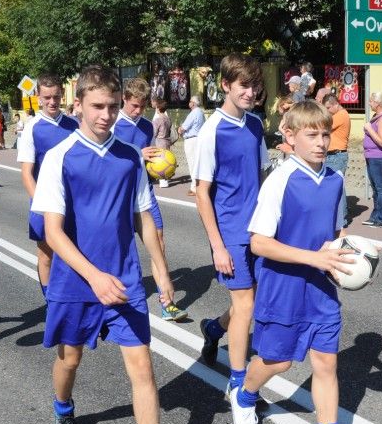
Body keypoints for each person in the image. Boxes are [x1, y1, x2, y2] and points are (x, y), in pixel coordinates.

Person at [31, 66, 192, 424]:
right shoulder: (61, 157)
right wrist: (93, 276)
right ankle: (64, 411)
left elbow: (143, 216)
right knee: (70, 361)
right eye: (97, 106)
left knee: (143, 368)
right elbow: (52, 233)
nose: (106, 114)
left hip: (122, 281)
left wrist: (160, 269)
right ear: (78, 104)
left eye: (113, 106)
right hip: (75, 281)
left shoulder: (128, 156)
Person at [234, 99, 371, 424]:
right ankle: (244, 395)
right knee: (278, 361)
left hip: (322, 288)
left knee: (326, 363)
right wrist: (315, 259)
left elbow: (336, 231)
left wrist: (351, 257)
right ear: (289, 137)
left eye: (326, 134)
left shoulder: (335, 180)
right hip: (283, 287)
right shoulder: (280, 179)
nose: (322, 142)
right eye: (312, 134)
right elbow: (259, 242)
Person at [193, 53, 269, 393]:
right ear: (225, 86)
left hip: (258, 231)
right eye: (243, 85)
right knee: (247, 306)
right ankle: (239, 385)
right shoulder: (212, 130)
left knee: (250, 301)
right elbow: (201, 192)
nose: (250, 92)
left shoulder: (254, 125)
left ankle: (213, 329)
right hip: (230, 233)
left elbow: (263, 176)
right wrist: (218, 246)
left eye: (255, 86)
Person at [113, 79, 187, 321]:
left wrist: (161, 165)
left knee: (159, 242)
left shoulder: (147, 126)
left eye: (143, 106)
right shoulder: (111, 124)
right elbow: (107, 160)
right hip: (118, 195)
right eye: (134, 105)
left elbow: (150, 159)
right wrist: (137, 154)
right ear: (124, 98)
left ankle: (167, 303)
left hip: (144, 193)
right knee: (119, 250)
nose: (138, 111)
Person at [18, 74, 80, 299]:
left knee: (75, 252)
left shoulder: (74, 125)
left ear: (62, 95)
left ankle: (76, 297)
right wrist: (42, 207)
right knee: (46, 255)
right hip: (44, 203)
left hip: (73, 202)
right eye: (47, 97)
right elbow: (27, 174)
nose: (52, 102)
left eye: (55, 97)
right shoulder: (32, 128)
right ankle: (50, 299)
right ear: (38, 97)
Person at [362, 91, 382, 227]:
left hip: (380, 157)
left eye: (371, 101)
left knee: (381, 189)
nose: (369, 103)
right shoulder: (376, 117)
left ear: (377, 103)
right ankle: (376, 216)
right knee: (375, 189)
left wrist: (369, 129)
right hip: (371, 156)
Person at [322, 94, 350, 227]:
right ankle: (339, 217)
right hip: (333, 156)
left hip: (337, 156)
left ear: (335, 104)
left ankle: (342, 219)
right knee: (336, 185)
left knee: (337, 186)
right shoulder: (337, 114)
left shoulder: (341, 115)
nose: (327, 111)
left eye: (328, 108)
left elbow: (324, 126)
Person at [178, 96, 205, 196]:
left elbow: (184, 127)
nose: (189, 103)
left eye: (190, 101)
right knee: (197, 162)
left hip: (191, 139)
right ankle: (197, 185)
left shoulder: (193, 113)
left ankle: (194, 187)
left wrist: (179, 130)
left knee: (192, 163)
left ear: (193, 103)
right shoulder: (201, 112)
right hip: (198, 138)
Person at [151, 97, 172, 188]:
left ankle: (162, 181)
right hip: (167, 140)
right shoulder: (168, 118)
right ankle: (166, 179)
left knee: (160, 161)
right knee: (166, 160)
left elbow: (154, 132)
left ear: (158, 108)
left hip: (159, 141)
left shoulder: (158, 119)